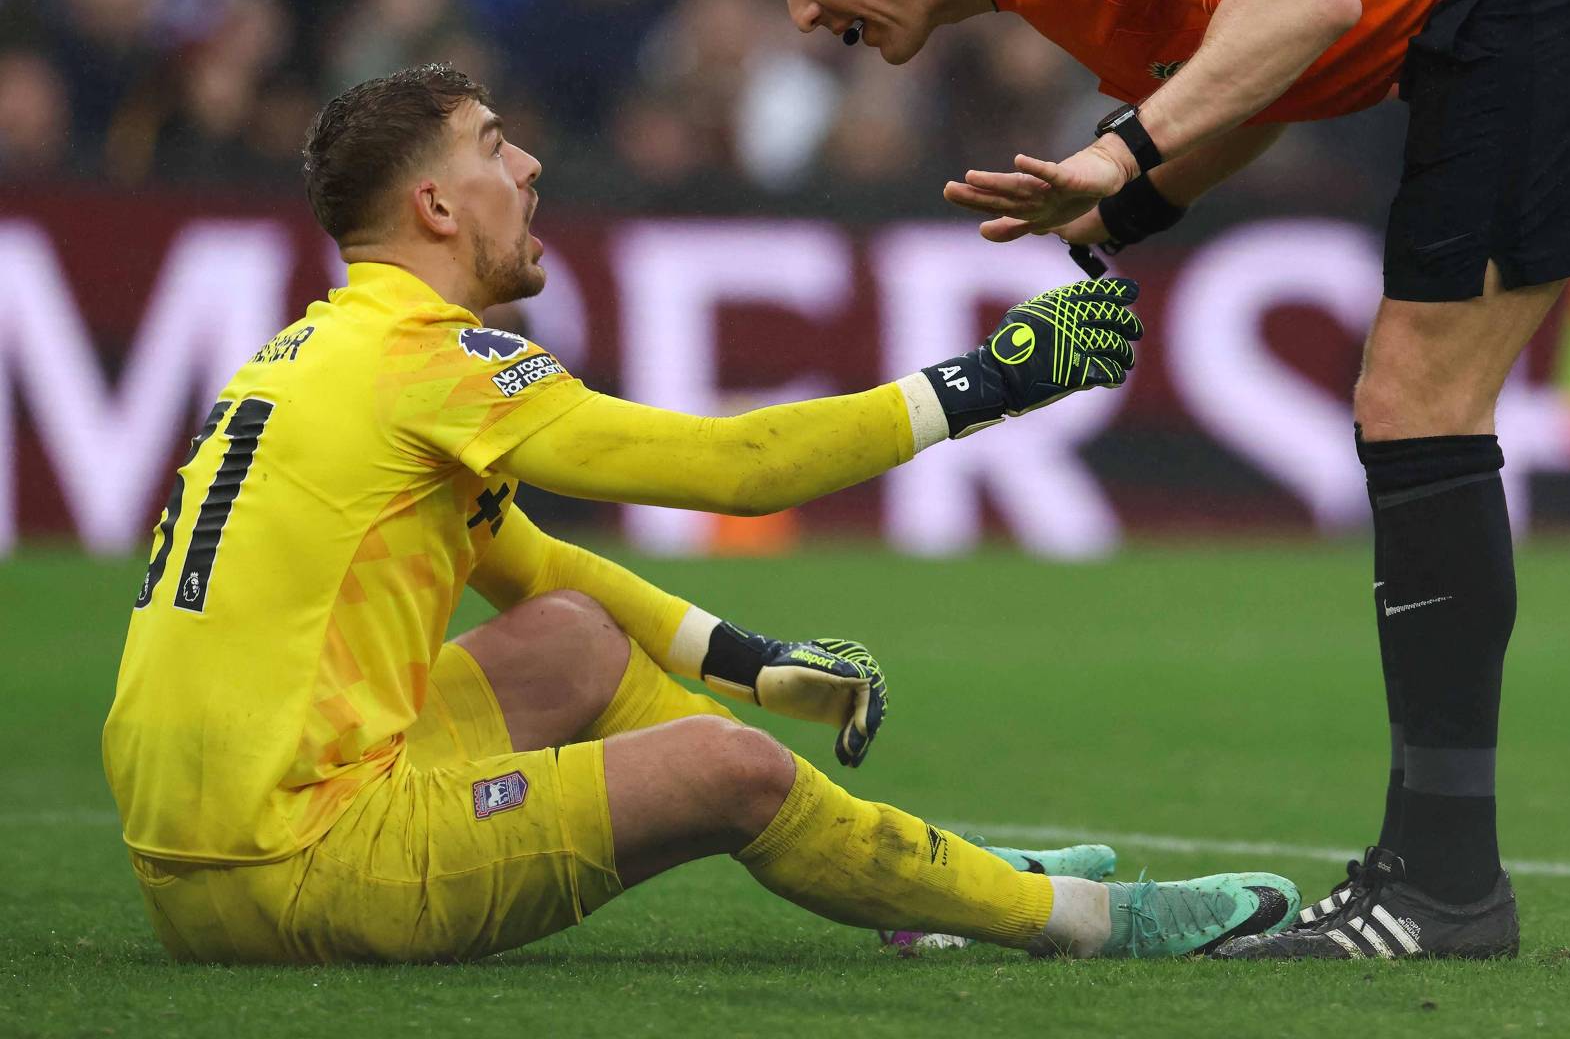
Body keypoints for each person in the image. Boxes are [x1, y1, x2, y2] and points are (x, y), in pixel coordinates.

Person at [724, 0, 1570, 959]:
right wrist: (1123, 210)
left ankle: (1443, 887)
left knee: (1418, 402)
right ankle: (1441, 881)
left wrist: (1126, 149)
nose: (801, 19)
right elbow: (1264, 62)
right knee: (1415, 403)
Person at [102, 62, 1297, 965]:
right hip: (300, 865)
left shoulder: (310, 349)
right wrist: (990, 383)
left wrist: (756, 663)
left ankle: (946, 890)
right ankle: (1082, 921)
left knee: (574, 633)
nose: (526, 168)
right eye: (494, 147)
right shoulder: (434, 362)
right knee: (730, 775)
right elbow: (734, 467)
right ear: (435, 206)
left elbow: (538, 569)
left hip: (186, 862)